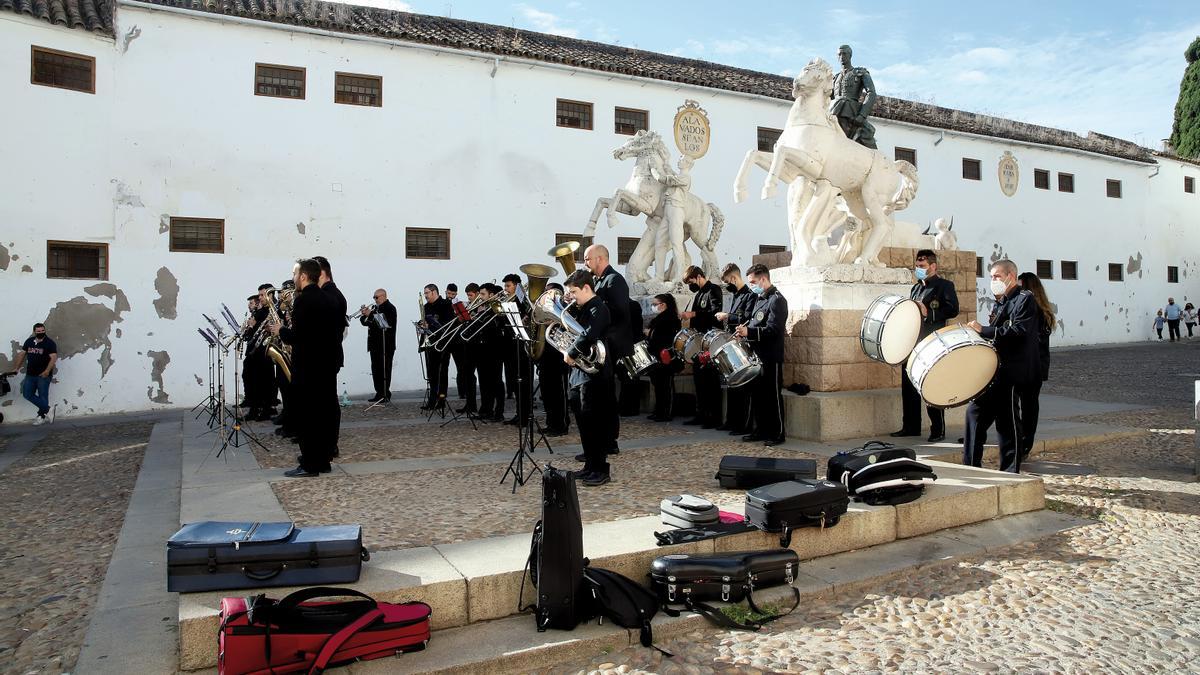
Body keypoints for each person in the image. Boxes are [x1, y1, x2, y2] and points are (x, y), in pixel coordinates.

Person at [964, 259, 1039, 473]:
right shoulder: (1001, 301)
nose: (993, 280)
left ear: (1011, 277)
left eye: (997, 276)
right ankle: (971, 466)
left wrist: (984, 330)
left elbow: (1017, 331)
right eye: (991, 277)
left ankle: (1009, 471)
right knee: (974, 414)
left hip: (1012, 371)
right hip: (994, 371)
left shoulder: (1025, 300)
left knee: (1007, 423)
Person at [270, 259, 337, 477]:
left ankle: (309, 465)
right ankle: (322, 461)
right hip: (325, 366)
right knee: (321, 417)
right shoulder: (327, 298)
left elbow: (299, 337)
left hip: (307, 368)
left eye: (294, 274)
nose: (293, 278)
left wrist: (281, 330)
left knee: (307, 419)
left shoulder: (303, 300)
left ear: (303, 276)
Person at [893, 250, 959, 442]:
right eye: (917, 266)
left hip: (932, 342)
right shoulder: (915, 288)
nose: (919, 270)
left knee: (931, 386)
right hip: (912, 342)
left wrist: (928, 312)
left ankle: (938, 429)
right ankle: (911, 426)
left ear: (933, 266)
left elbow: (952, 309)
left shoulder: (944, 286)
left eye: (922, 267)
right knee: (909, 386)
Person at [563, 269, 616, 487]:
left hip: (595, 374)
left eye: (574, 291)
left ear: (586, 288)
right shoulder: (582, 307)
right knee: (584, 424)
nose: (572, 296)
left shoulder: (598, 307)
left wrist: (572, 352)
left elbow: (589, 334)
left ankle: (601, 469)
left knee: (595, 423)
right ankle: (589, 466)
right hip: (580, 373)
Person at [584, 244, 631, 454]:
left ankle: (610, 441)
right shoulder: (598, 281)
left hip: (611, 345)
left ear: (600, 259)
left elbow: (619, 312)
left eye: (587, 259)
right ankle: (601, 441)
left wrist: (595, 301)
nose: (585, 263)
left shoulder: (615, 280)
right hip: (601, 345)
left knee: (607, 397)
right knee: (599, 397)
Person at [736, 265, 787, 446]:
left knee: (772, 396)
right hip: (757, 356)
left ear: (763, 279)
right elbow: (754, 321)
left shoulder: (777, 300)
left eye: (753, 282)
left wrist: (749, 332)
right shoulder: (759, 299)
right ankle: (760, 429)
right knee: (757, 395)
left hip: (771, 356)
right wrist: (743, 329)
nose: (751, 286)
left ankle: (777, 433)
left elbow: (774, 329)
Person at [1016, 272, 1054, 461]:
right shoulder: (1038, 309)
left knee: (1029, 406)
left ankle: (1025, 442)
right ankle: (1020, 440)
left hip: (1033, 365)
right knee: (1024, 405)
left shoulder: (1035, 311)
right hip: (1029, 364)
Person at [681, 265, 723, 428]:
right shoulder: (698, 294)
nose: (690, 284)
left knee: (711, 381)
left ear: (698, 276)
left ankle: (714, 417)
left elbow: (715, 314)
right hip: (699, 342)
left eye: (691, 281)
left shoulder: (713, 290)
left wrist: (694, 314)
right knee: (699, 380)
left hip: (710, 342)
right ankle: (701, 414)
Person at [715, 263, 755, 435]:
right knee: (732, 385)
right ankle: (731, 421)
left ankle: (742, 424)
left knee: (743, 388)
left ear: (733, 278)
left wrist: (727, 315)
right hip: (732, 344)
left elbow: (746, 317)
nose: (727, 285)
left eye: (727, 282)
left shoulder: (749, 296)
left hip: (743, 346)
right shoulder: (736, 295)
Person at [313, 256, 346, 458]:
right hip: (328, 355)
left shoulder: (330, 295)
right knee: (328, 402)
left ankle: (329, 445)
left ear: (322, 273)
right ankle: (328, 444)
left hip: (326, 356)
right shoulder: (329, 293)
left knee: (327, 404)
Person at [537, 282, 571, 436]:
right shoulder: (544, 310)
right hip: (545, 357)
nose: (545, 295)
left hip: (558, 358)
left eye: (549, 293)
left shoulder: (565, 311)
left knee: (559, 394)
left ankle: (561, 425)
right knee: (547, 392)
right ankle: (551, 423)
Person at [828, 44, 878, 149]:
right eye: (839, 54)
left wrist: (862, 115)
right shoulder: (835, 78)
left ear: (850, 55)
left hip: (851, 113)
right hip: (834, 112)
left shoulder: (860, 73)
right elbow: (828, 96)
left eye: (844, 54)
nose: (841, 57)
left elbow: (871, 93)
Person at [501, 273, 535, 425]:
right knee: (515, 383)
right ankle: (519, 413)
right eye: (505, 286)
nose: (506, 289)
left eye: (508, 286)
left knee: (523, 383)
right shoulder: (508, 301)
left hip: (522, 348)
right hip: (510, 347)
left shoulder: (522, 300)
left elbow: (531, 315)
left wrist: (525, 319)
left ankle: (525, 416)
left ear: (516, 286)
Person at [8, 323, 58, 425]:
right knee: (27, 394)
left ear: (44, 330)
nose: (40, 332)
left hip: (43, 375)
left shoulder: (49, 343)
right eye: (38, 331)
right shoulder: (29, 341)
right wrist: (17, 368)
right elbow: (22, 354)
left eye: (42, 331)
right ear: (34, 331)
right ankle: (48, 410)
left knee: (43, 396)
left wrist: (47, 371)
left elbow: (53, 358)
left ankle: (41, 416)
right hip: (30, 375)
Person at [472, 283, 507, 422]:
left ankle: (499, 412)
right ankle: (486, 409)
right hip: (482, 349)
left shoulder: (497, 309)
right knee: (484, 381)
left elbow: (500, 326)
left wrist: (480, 318)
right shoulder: (483, 309)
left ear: (491, 295)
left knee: (496, 382)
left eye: (482, 294)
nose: (480, 297)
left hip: (495, 350)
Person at [646, 293, 682, 421]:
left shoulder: (671, 319)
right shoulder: (660, 318)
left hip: (666, 356)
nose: (653, 306)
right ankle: (659, 410)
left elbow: (668, 339)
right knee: (658, 384)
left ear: (663, 305)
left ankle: (666, 412)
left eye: (655, 304)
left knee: (665, 385)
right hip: (657, 355)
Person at [420, 283, 455, 410]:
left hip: (443, 344)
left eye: (427, 293)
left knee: (442, 373)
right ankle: (431, 401)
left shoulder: (446, 304)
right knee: (432, 374)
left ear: (434, 292)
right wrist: (422, 325)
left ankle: (441, 400)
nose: (425, 296)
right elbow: (425, 322)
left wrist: (432, 326)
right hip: (430, 343)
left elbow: (449, 324)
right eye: (425, 294)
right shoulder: (426, 307)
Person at [360, 289, 398, 403]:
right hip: (374, 345)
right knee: (376, 369)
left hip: (386, 345)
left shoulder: (390, 308)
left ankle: (385, 393)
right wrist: (364, 314)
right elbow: (365, 322)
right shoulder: (376, 308)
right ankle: (379, 393)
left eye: (376, 297)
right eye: (374, 297)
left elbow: (385, 323)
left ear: (384, 296)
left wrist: (370, 314)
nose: (375, 300)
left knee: (385, 369)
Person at [454, 282, 481, 413]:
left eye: (470, 295)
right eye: (468, 295)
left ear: (476, 294)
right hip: (467, 343)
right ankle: (470, 404)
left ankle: (473, 405)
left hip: (476, 344)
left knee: (470, 374)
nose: (469, 298)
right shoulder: (471, 305)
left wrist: (470, 317)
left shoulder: (480, 305)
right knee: (466, 374)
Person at [618, 298, 644, 416]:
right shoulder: (632, 304)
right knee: (629, 378)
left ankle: (628, 408)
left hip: (629, 346)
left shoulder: (629, 305)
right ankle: (629, 407)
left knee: (629, 378)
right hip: (630, 345)